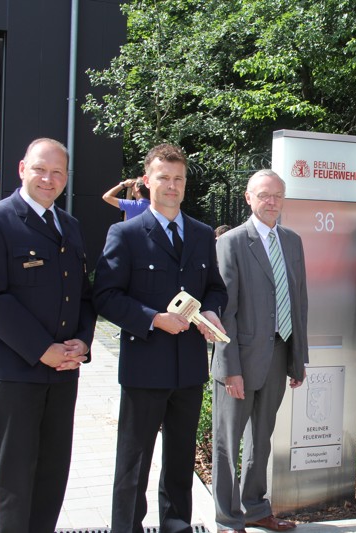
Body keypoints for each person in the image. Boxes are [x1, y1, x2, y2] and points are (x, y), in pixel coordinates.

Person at [0, 138, 96, 532]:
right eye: (40, 169)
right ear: (22, 169)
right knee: (15, 481)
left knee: (52, 475)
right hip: (15, 372)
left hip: (64, 371)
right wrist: (43, 350)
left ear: (67, 178)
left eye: (57, 172)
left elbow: (83, 295)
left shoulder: (68, 225)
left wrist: (83, 343)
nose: (48, 178)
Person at [93, 143, 228, 532]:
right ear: (147, 180)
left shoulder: (202, 235)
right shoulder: (126, 233)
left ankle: (176, 525)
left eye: (179, 179)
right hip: (144, 366)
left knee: (181, 459)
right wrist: (154, 319)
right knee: (134, 461)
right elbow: (105, 295)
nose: (172, 186)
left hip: (188, 368)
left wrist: (212, 310)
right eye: (164, 178)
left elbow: (216, 288)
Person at [212, 169, 308, 533]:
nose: (271, 202)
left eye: (277, 196)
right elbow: (225, 313)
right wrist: (228, 368)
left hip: (279, 355)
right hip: (240, 360)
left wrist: (297, 359)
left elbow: (299, 303)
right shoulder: (233, 243)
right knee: (227, 443)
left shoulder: (293, 241)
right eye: (264, 195)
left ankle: (255, 509)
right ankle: (227, 518)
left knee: (261, 441)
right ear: (248, 198)